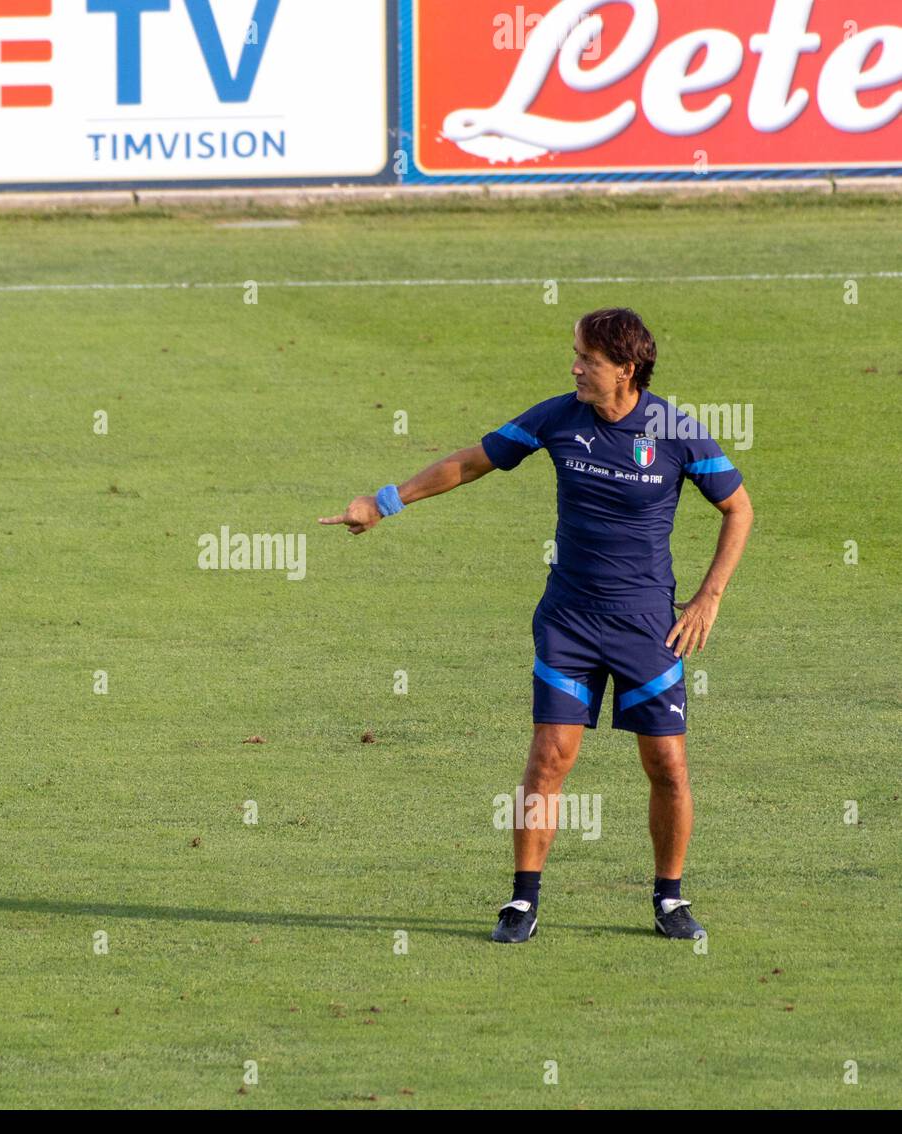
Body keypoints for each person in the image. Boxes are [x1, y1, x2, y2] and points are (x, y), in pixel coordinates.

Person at [320, 308, 753, 943]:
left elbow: (738, 509)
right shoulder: (557, 417)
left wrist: (708, 597)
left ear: (626, 370)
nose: (576, 367)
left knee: (666, 764)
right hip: (569, 623)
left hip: (647, 629)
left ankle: (669, 899)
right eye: (576, 355)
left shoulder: (675, 430)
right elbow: (473, 461)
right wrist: (385, 502)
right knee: (549, 757)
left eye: (589, 360)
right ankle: (522, 900)